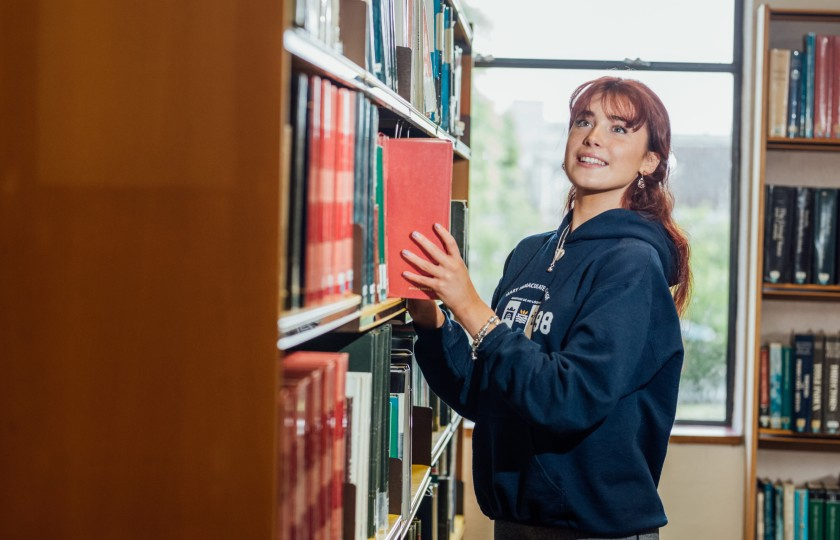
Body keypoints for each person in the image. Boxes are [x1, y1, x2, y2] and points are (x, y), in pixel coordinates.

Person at [400, 76, 691, 540]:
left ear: (650, 162)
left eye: (619, 129)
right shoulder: (530, 253)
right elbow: (486, 394)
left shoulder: (633, 265)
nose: (593, 136)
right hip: (516, 522)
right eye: (583, 121)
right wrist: (433, 322)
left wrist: (473, 308)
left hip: (591, 530)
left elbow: (568, 399)